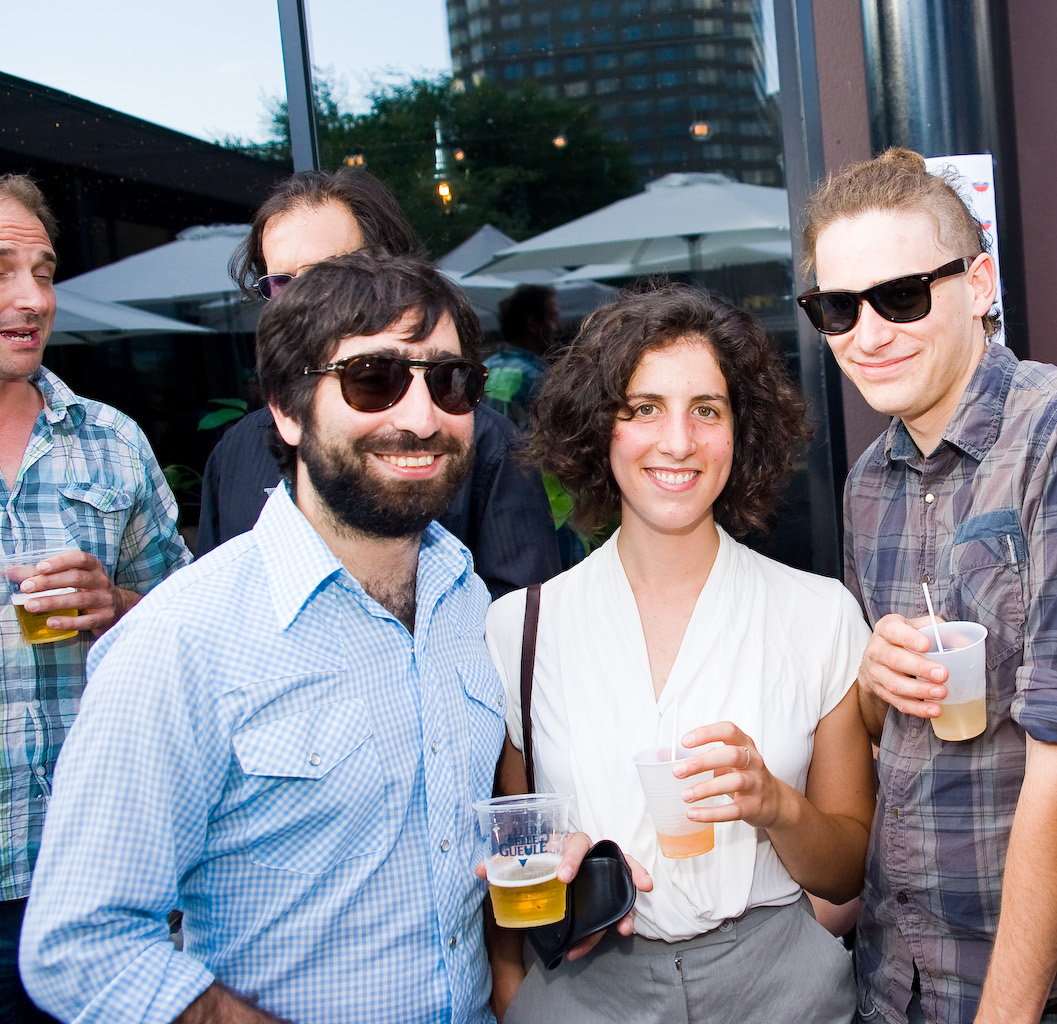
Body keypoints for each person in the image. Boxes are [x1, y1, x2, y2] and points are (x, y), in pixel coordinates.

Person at [19, 252, 609, 1024]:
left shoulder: (472, 606)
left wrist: (554, 864)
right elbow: (79, 945)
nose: (421, 417)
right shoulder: (182, 639)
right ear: (288, 410)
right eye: (373, 378)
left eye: (449, 381)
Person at [798, 150, 1057, 1024]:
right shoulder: (867, 482)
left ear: (977, 281)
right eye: (837, 309)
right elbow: (889, 739)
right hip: (897, 980)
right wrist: (872, 682)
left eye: (901, 297)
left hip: (1052, 995)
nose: (870, 334)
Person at [484, 284, 875, 1022]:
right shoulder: (521, 630)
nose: (678, 442)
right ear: (600, 428)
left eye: (707, 409)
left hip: (779, 991)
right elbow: (513, 847)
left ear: (741, 429)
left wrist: (776, 805)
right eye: (643, 409)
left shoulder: (818, 616)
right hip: (586, 988)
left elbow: (851, 865)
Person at [0, 174, 192, 1023]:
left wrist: (118, 603)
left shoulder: (111, 443)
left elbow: (192, 633)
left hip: (103, 880)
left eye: (43, 272)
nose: (32, 298)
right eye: (3, 270)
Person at [197, 168, 559, 598]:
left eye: (330, 275)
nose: (306, 302)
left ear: (394, 271)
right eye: (281, 284)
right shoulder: (237, 452)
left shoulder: (478, 441)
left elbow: (519, 632)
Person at [485, 283, 560, 430]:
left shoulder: (484, 368)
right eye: (552, 317)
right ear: (532, 323)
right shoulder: (539, 378)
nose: (559, 326)